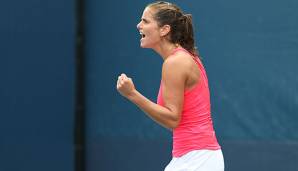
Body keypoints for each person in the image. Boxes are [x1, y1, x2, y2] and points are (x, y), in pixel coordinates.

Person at [116, 1, 224, 170]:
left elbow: (172, 119)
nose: (138, 25)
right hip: (196, 156)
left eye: (145, 21)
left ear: (164, 29)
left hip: (198, 158)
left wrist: (132, 94)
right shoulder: (179, 58)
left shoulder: (175, 62)